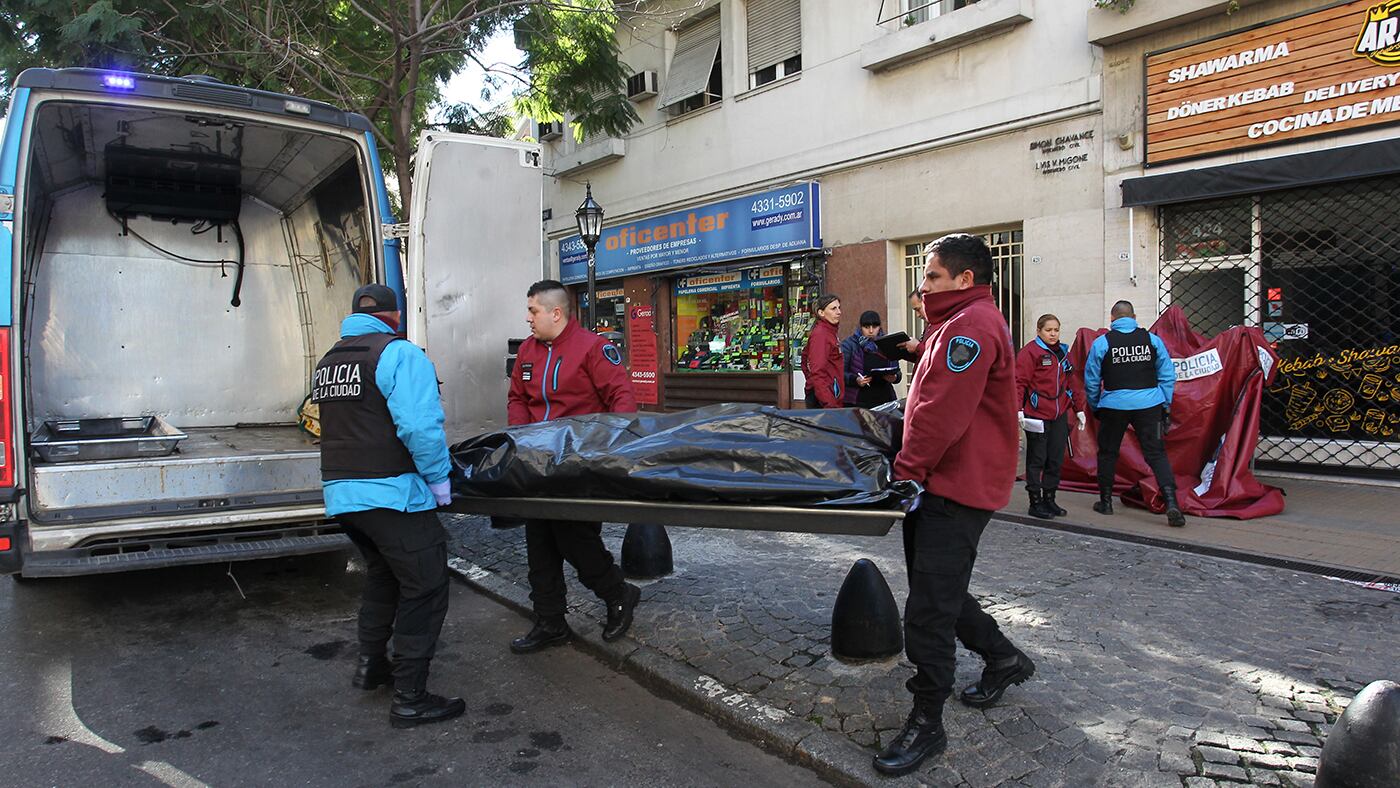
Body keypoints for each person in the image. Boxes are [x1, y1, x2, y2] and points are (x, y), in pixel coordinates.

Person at [875, 234, 1034, 777]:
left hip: (952, 488)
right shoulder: (960, 322)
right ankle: (1003, 658)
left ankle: (928, 722)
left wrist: (906, 473)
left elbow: (940, 413)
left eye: (932, 276)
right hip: (945, 483)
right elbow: (945, 375)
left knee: (927, 611)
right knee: (938, 590)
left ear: (965, 279)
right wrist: (914, 351)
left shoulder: (970, 326)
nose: (923, 287)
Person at [313, 283, 464, 729]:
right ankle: (410, 698)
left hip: (343, 496)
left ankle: (371, 665)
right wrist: (439, 480)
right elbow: (419, 426)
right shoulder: (398, 354)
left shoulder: (329, 360)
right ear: (395, 316)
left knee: (383, 576)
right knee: (426, 585)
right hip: (392, 494)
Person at [506, 280, 642, 653]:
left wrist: (608, 450)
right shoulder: (528, 351)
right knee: (539, 544)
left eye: (533, 310)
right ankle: (550, 620)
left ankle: (617, 593)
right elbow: (518, 397)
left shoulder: (593, 348)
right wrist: (521, 437)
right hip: (537, 464)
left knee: (574, 539)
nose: (528, 318)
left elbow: (621, 399)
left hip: (579, 464)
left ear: (556, 313)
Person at [1084, 300, 1184, 527]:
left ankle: (1106, 502)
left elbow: (1091, 380)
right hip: (1149, 405)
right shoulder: (1152, 340)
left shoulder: (1102, 343)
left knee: (1108, 453)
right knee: (1156, 454)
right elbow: (1167, 375)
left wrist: (1096, 405)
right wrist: (1165, 404)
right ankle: (1172, 503)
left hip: (1113, 405)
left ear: (1112, 319)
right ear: (1134, 317)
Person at [1014, 314, 1087, 519]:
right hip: (1037, 414)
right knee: (1037, 459)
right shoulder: (1030, 352)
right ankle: (1035, 502)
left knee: (1055, 459)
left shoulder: (1063, 352)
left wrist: (1079, 409)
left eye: (1056, 330)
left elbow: (1071, 382)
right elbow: (1019, 382)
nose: (1053, 334)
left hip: (1059, 414)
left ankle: (1050, 499)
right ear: (1039, 331)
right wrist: (1018, 409)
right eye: (1048, 330)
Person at [841, 310, 901, 408]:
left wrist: (895, 377)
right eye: (867, 327)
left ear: (879, 327)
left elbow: (897, 371)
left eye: (875, 327)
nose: (871, 331)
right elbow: (841, 372)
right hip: (857, 400)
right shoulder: (850, 345)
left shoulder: (887, 343)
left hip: (885, 399)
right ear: (861, 327)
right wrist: (856, 380)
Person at [801, 294, 845, 408]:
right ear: (821, 312)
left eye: (839, 308)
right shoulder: (821, 334)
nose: (839, 312)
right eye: (833, 308)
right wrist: (829, 403)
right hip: (824, 399)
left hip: (829, 394)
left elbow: (805, 359)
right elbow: (817, 372)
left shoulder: (829, 332)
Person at [899, 288, 932, 360]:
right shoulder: (929, 326)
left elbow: (937, 358)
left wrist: (917, 347)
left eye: (918, 309)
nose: (918, 315)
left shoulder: (944, 325)